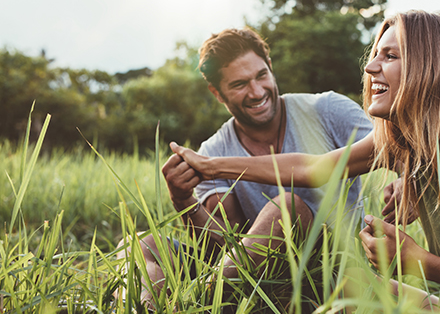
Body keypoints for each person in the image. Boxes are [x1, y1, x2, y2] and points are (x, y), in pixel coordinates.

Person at [171, 10, 440, 311]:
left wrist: (420, 262)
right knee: (343, 286)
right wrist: (210, 167)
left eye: (390, 56)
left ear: (432, 68)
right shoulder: (407, 143)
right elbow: (312, 169)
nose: (369, 67)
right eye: (375, 55)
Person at [119, 28, 372, 307]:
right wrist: (182, 200)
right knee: (139, 244)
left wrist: (403, 181)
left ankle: (194, 304)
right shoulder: (213, 150)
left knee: (288, 208)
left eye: (261, 75)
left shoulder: (328, 109)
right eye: (239, 84)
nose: (256, 92)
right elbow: (222, 244)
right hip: (253, 278)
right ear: (217, 93)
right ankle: (148, 307)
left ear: (270, 68)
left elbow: (396, 149)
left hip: (330, 271)